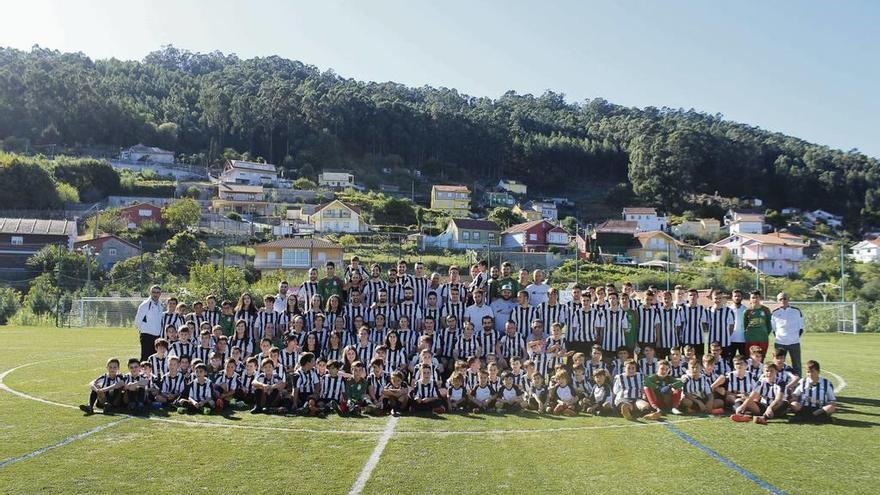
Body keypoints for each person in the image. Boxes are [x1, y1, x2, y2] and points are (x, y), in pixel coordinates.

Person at [771, 292, 804, 376]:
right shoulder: (774, 313)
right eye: (780, 299)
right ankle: (777, 380)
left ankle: (798, 383)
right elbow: (774, 329)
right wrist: (781, 338)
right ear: (777, 301)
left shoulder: (796, 311)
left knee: (796, 365)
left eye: (785, 298)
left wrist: (794, 338)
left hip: (794, 343)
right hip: (780, 343)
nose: (783, 300)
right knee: (778, 364)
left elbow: (801, 328)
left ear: (788, 299)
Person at [135, 285, 164, 361]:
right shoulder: (145, 305)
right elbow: (137, 321)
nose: (155, 294)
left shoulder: (161, 305)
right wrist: (144, 330)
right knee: (145, 357)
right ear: (150, 293)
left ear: (160, 294)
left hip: (157, 337)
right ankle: (141, 373)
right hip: (146, 336)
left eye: (157, 292)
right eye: (154, 292)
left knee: (155, 357)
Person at [743, 290, 772, 355]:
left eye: (757, 297)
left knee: (761, 359)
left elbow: (769, 325)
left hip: (763, 339)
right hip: (751, 339)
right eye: (753, 297)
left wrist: (763, 334)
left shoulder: (766, 310)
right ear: (750, 299)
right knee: (750, 359)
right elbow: (745, 326)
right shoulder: (747, 311)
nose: (755, 299)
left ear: (760, 298)